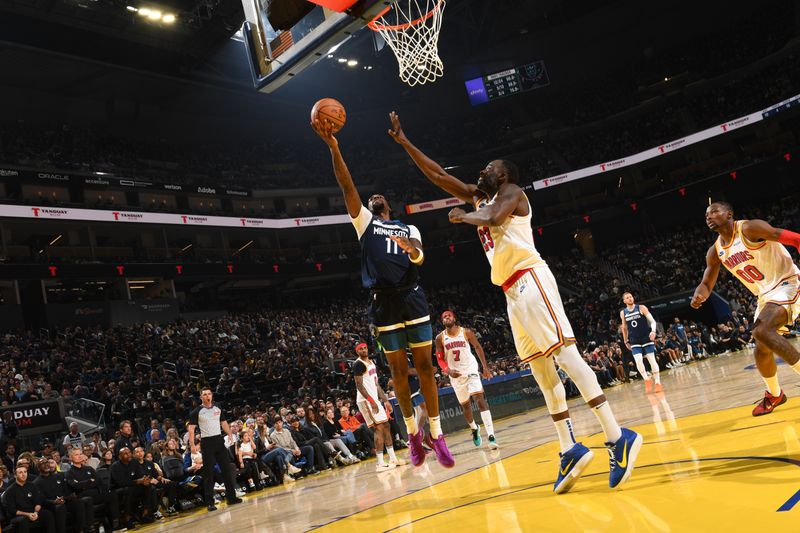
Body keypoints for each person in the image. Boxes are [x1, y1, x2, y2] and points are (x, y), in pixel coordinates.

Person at [389, 111, 642, 494]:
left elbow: (491, 216)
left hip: (531, 279)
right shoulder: (479, 195)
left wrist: (464, 216)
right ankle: (568, 447)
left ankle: (616, 435)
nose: (482, 170)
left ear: (503, 175)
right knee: (541, 372)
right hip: (510, 291)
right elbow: (440, 176)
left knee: (567, 357)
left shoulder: (512, 193)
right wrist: (406, 142)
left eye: (489, 167)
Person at [312, 118, 453, 468]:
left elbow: (421, 255)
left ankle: (436, 433)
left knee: (425, 369)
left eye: (378, 196)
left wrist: (411, 250)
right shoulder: (365, 223)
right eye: (370, 196)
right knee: (398, 373)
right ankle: (413, 435)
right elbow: (346, 186)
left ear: (388, 205)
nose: (373, 197)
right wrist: (334, 147)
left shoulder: (408, 226)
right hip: (385, 304)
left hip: (412, 296)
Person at [691, 201, 800, 416]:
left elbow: (794, 238)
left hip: (788, 282)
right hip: (764, 295)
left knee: (761, 330)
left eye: (714, 212)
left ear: (729, 213)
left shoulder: (750, 228)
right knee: (761, 350)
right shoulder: (715, 251)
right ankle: (775, 393)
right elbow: (707, 283)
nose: (709, 216)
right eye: (706, 214)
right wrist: (700, 294)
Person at [435, 310, 498, 449]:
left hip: (470, 370)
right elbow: (439, 359)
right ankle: (474, 428)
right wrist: (448, 370)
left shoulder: (466, 332)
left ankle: (491, 436)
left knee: (480, 400)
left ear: (454, 318)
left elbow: (477, 347)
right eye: (444, 317)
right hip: (455, 375)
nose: (447, 318)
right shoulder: (440, 338)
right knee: (465, 406)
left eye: (449, 316)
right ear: (442, 321)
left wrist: (485, 368)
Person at [353, 343, 407, 472]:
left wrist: (386, 400)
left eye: (365, 347)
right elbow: (359, 386)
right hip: (366, 400)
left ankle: (393, 458)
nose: (363, 350)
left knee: (387, 425)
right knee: (379, 428)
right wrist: (371, 401)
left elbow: (376, 385)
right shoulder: (358, 364)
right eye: (360, 349)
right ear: (357, 352)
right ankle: (380, 463)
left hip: (375, 399)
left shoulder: (371, 363)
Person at [187, 387, 243, 511]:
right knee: (209, 474)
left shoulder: (217, 408)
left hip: (219, 440)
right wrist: (192, 445)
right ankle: (209, 502)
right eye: (204, 394)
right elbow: (191, 429)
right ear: (201, 397)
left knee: (227, 470)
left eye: (209, 394)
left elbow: (223, 423)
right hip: (207, 443)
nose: (207, 396)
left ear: (212, 395)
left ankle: (231, 498)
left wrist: (229, 434)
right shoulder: (197, 411)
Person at [619, 292, 662, 393]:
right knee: (638, 360)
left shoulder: (641, 308)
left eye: (631, 296)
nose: (630, 299)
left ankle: (658, 382)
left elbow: (653, 321)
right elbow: (624, 327)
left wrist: (653, 331)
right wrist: (625, 340)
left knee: (652, 359)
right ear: (624, 301)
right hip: (634, 340)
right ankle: (646, 380)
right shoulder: (623, 313)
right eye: (627, 298)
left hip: (645, 337)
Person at [4, 464, 57, 533]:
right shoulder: (10, 491)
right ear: (15, 475)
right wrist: (28, 514)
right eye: (20, 472)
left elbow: (38, 502)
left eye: (25, 472)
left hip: (33, 512)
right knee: (23, 520)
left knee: (48, 514)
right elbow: (12, 510)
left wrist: (36, 512)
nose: (23, 474)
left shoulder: (32, 485)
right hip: (18, 516)